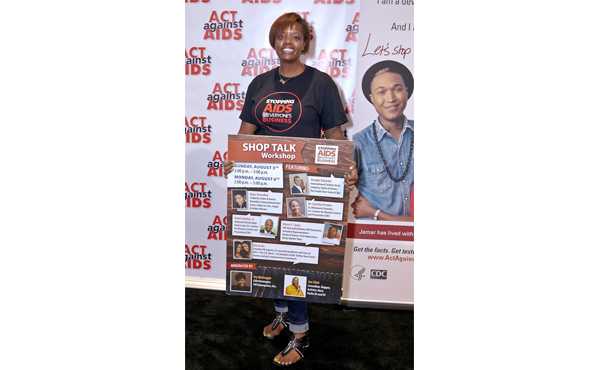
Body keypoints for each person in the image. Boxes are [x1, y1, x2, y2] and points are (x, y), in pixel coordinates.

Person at [224, 12, 358, 367]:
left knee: (296, 261)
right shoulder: (260, 84)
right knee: (269, 256)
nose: (288, 41)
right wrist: (233, 158)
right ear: (273, 40)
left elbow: (334, 136)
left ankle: (301, 335)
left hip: (304, 186)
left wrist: (346, 169)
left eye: (296, 36)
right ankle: (282, 314)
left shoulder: (322, 84)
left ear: (305, 43)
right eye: (282, 34)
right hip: (263, 185)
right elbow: (246, 130)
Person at [352, 60, 414, 221]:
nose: (391, 98)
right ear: (371, 98)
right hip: (374, 239)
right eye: (381, 92)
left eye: (397, 89)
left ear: (407, 91)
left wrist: (376, 213)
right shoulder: (358, 143)